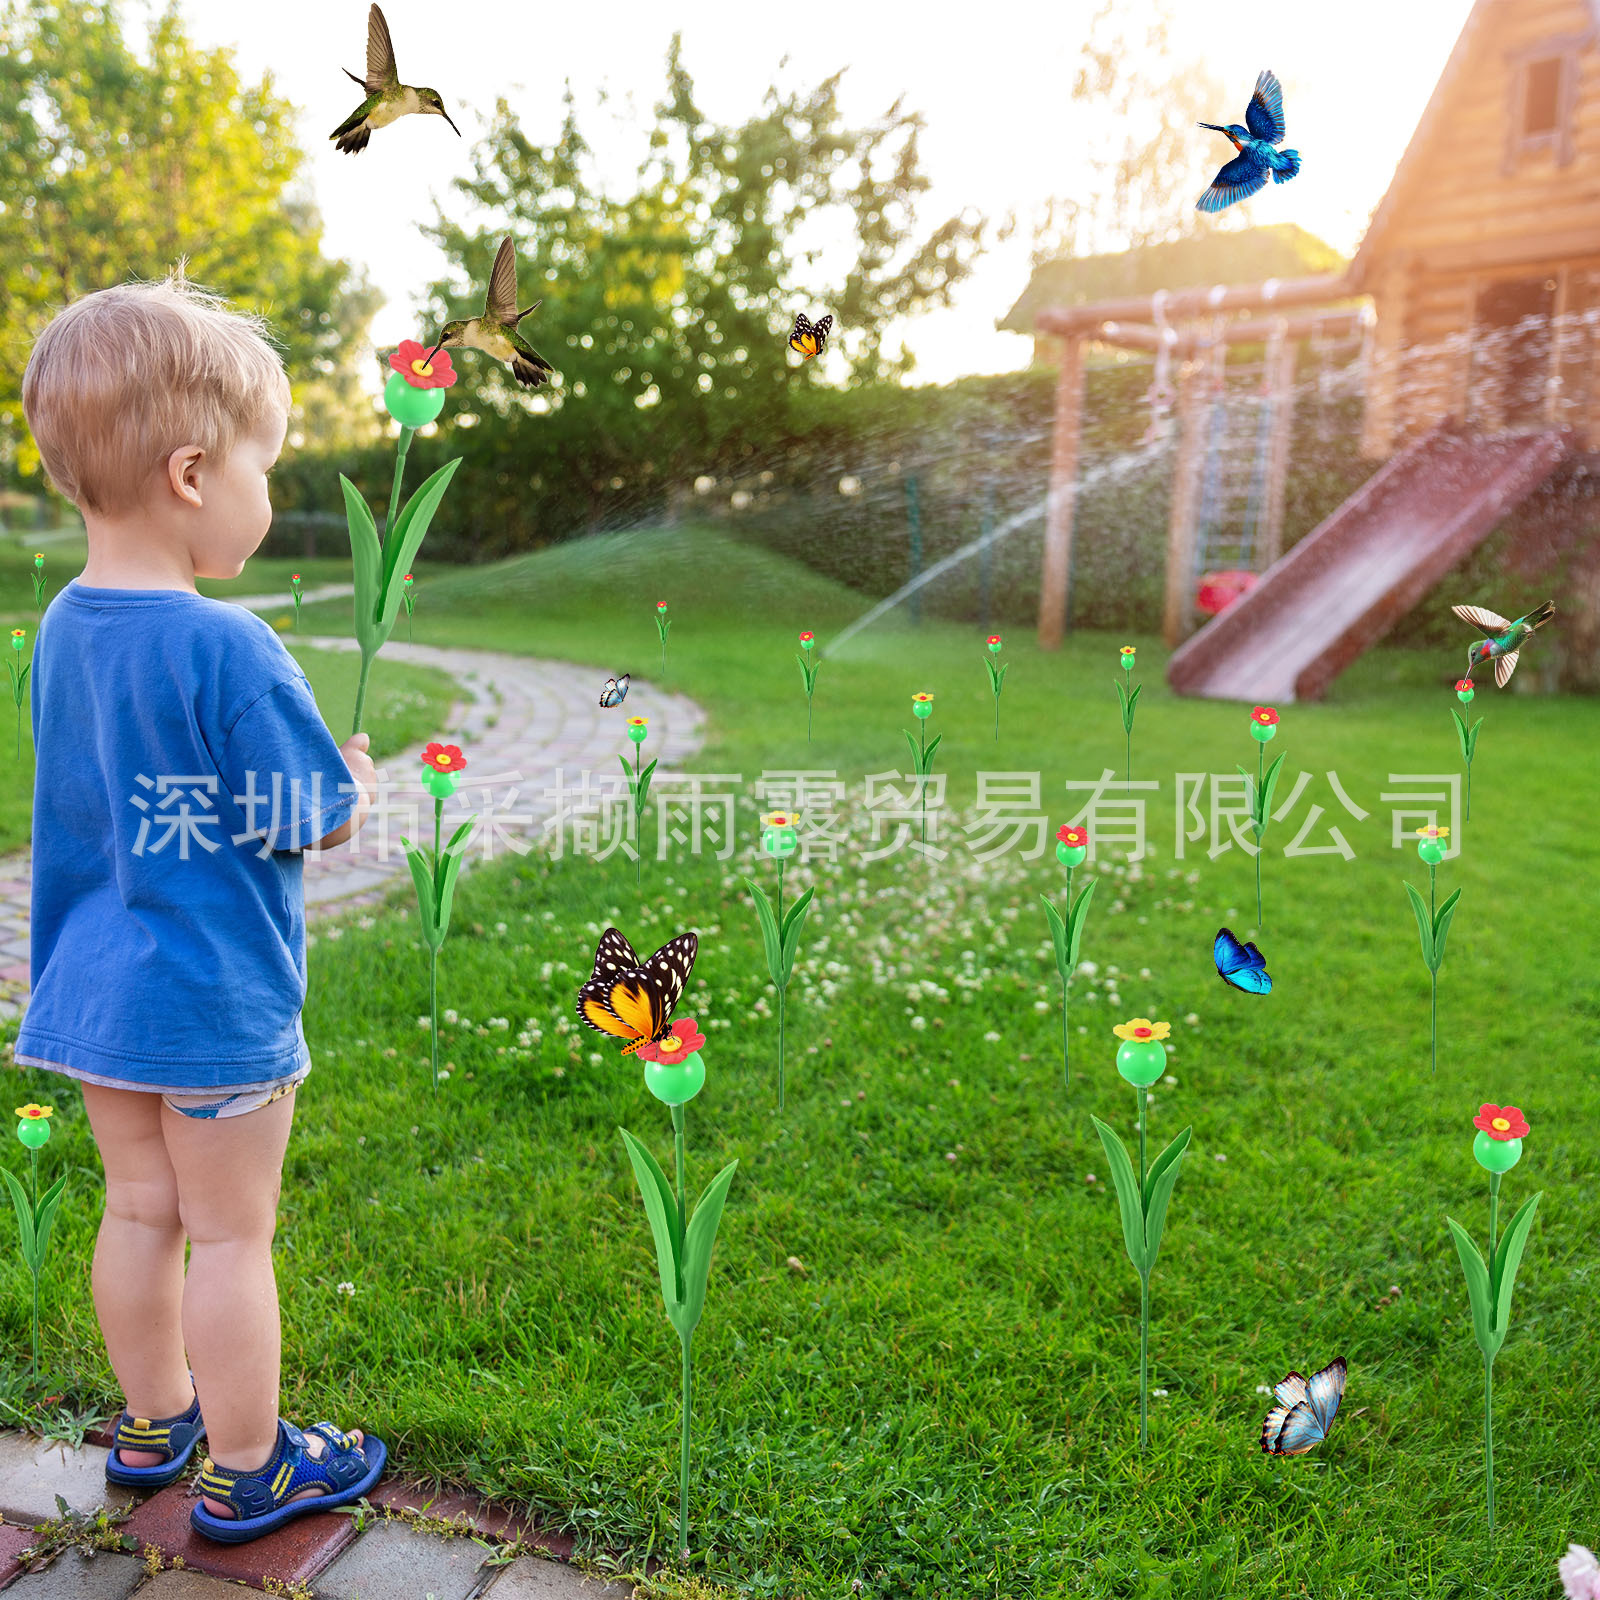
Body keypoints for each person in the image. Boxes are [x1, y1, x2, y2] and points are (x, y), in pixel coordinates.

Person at [16, 267, 386, 1543]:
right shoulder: (229, 645)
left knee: (138, 1209)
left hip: (93, 996)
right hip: (214, 1003)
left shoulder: (62, 627)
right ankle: (248, 1467)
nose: (266, 497)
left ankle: (152, 1422)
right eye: (261, 468)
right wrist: (351, 783)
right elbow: (307, 816)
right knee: (230, 1235)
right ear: (191, 474)